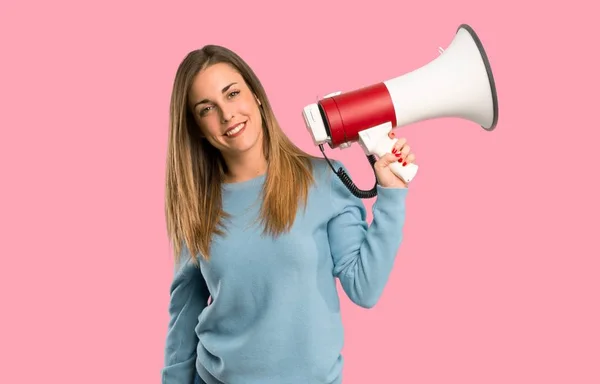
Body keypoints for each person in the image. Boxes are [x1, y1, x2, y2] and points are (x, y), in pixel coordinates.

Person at [161, 45, 415, 384]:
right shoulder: (196, 203)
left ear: (257, 96)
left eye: (233, 93)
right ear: (196, 128)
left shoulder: (324, 180)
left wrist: (392, 194)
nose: (227, 115)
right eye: (207, 108)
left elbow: (364, 288)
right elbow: (184, 315)